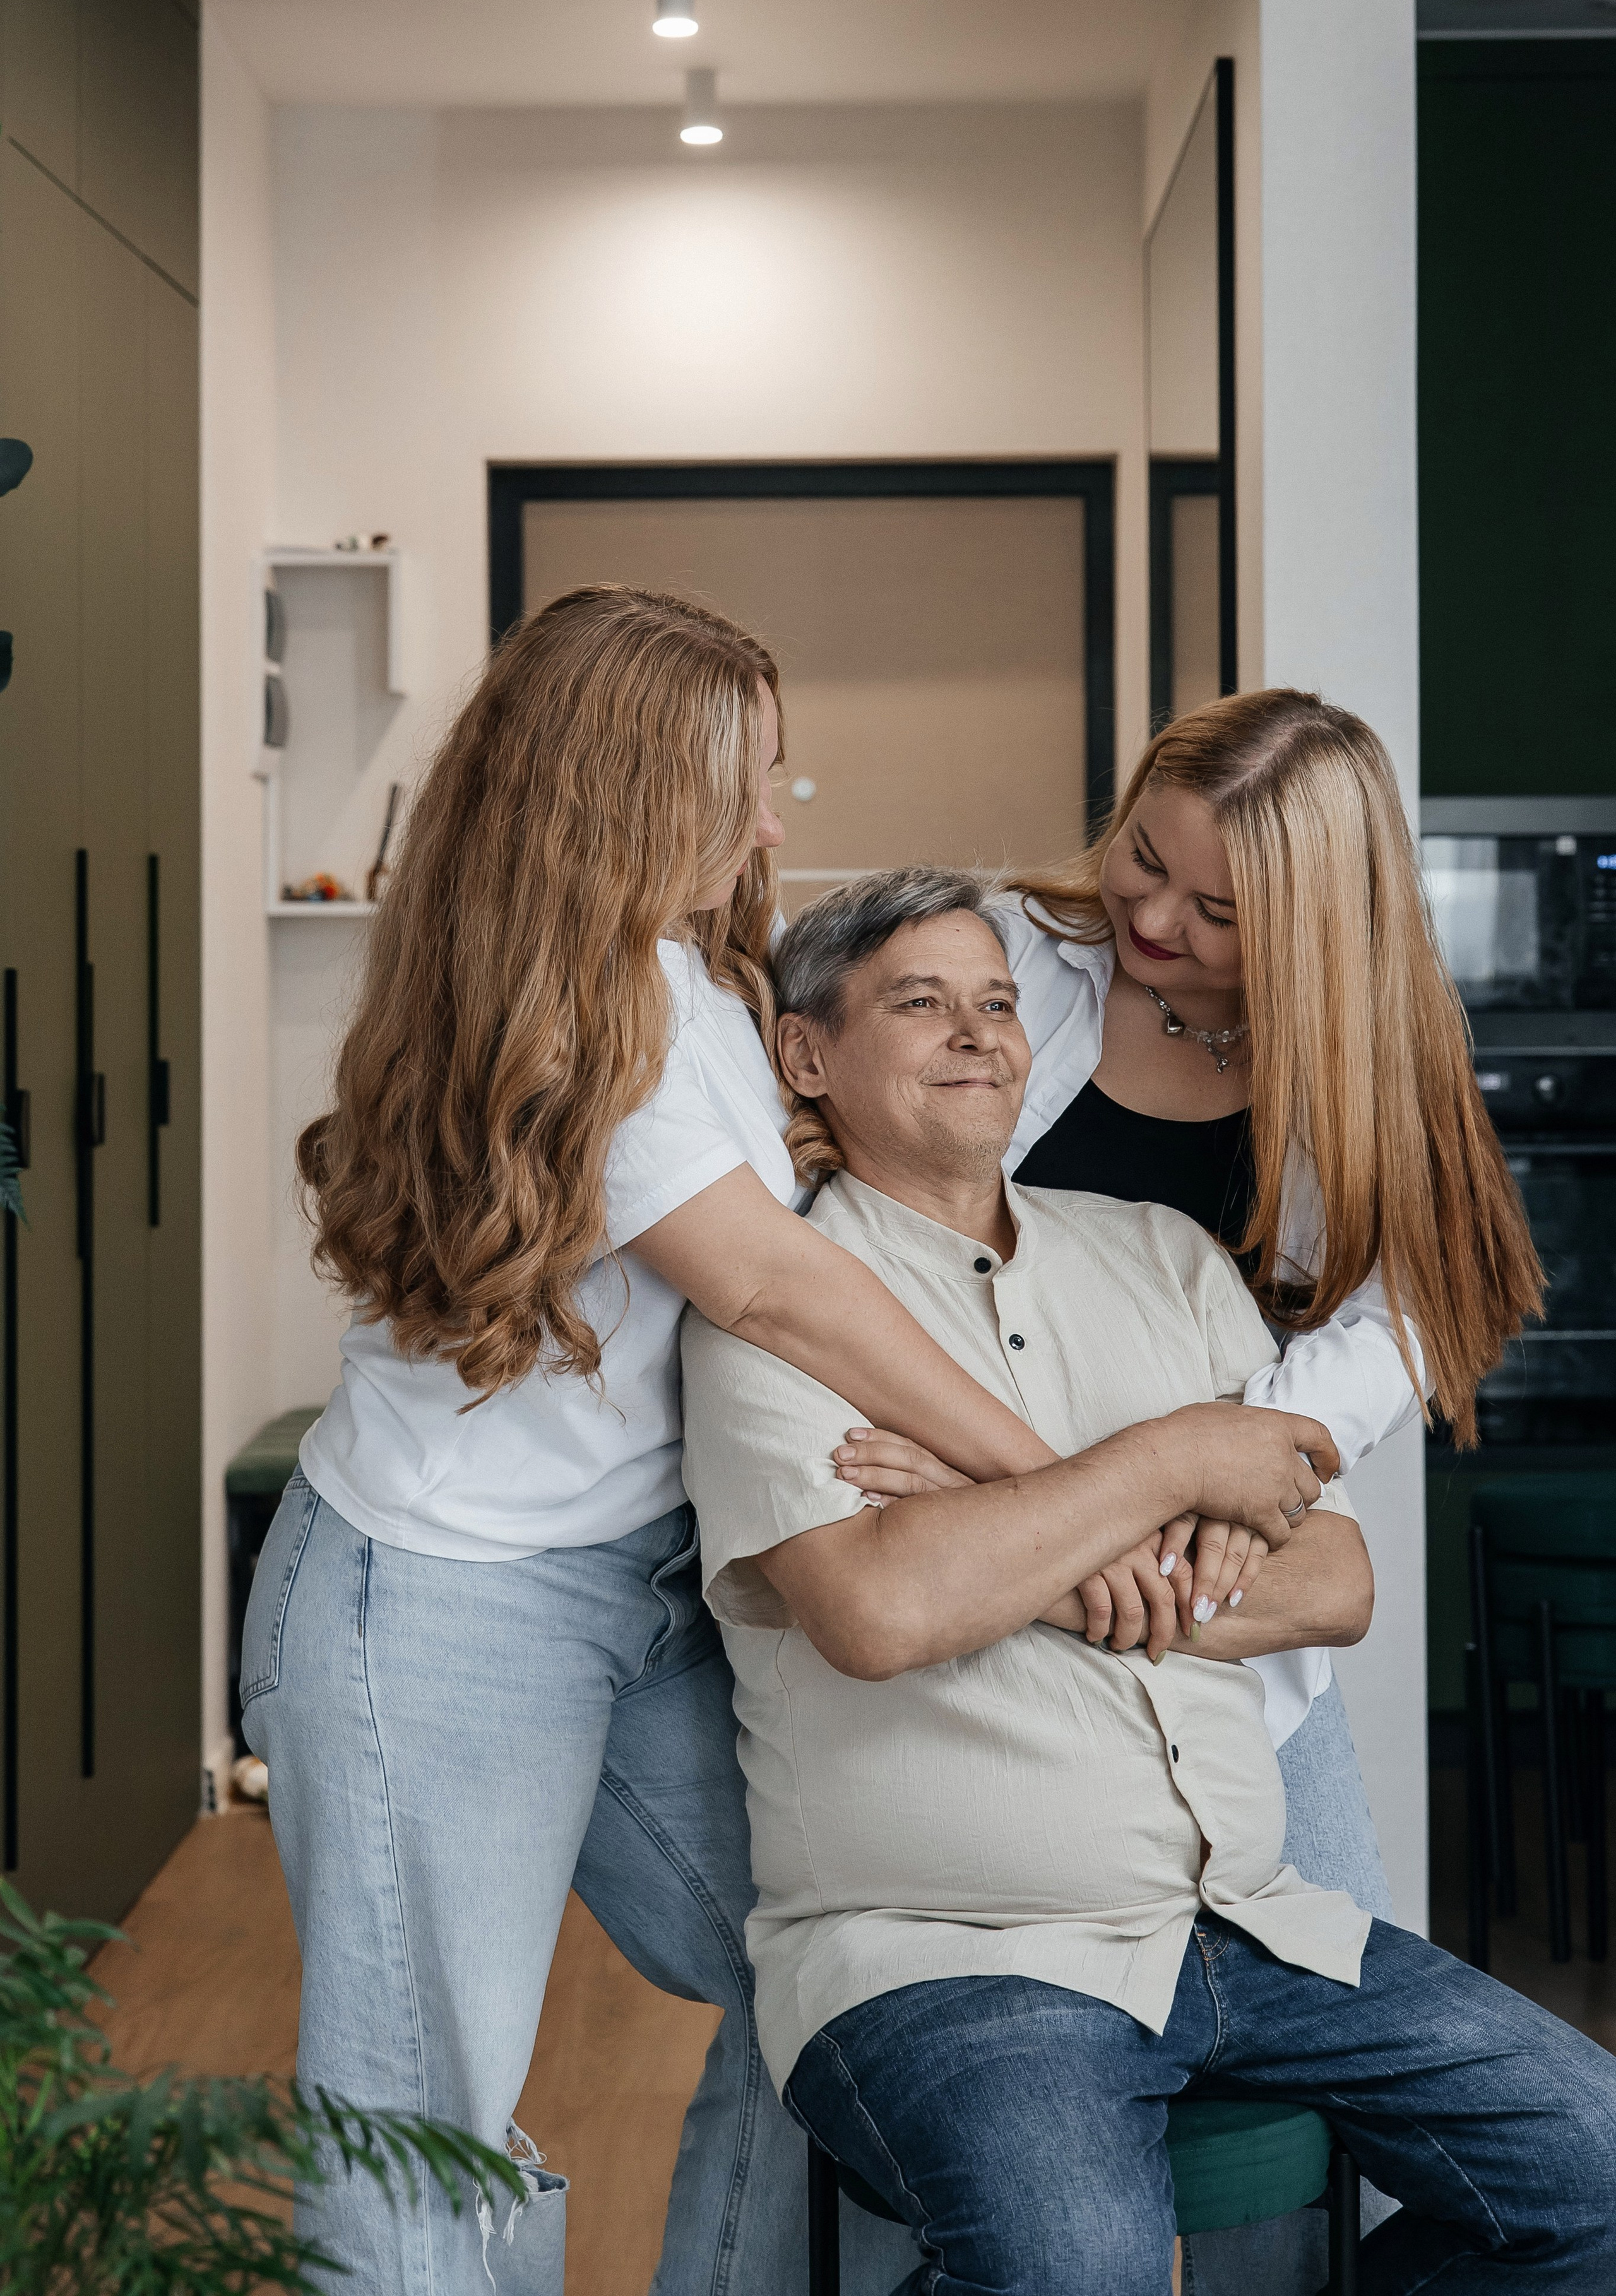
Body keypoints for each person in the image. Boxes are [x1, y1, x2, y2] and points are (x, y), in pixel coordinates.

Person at [238, 588, 1326, 2296]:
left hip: (650, 1584)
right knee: (417, 2114)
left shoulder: (688, 975)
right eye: (747, 781)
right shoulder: (593, 996)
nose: (771, 821)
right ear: (631, 789)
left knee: (844, 1968)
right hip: (445, 1609)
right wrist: (1058, 1486)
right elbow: (782, 1288)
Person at [679, 869, 1616, 2296]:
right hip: (956, 1959)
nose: (979, 1032)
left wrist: (997, 1519)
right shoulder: (769, 1305)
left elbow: (1334, 1582)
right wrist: (1165, 1460)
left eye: (995, 1001)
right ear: (806, 1055)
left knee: (1592, 2177)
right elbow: (879, 1613)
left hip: (1252, 1921)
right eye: (919, 1003)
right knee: (1070, 2268)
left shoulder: (1164, 1259)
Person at [833, 693, 1542, 1926]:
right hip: (971, 1559)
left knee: (1340, 1985)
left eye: (1216, 911)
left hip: (1210, 1597)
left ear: (1312, 923)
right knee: (845, 2022)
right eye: (1144, 860)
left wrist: (1229, 1463)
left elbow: (1408, 1308)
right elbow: (849, 1233)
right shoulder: (995, 956)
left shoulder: (1369, 1048)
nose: (1152, 919)